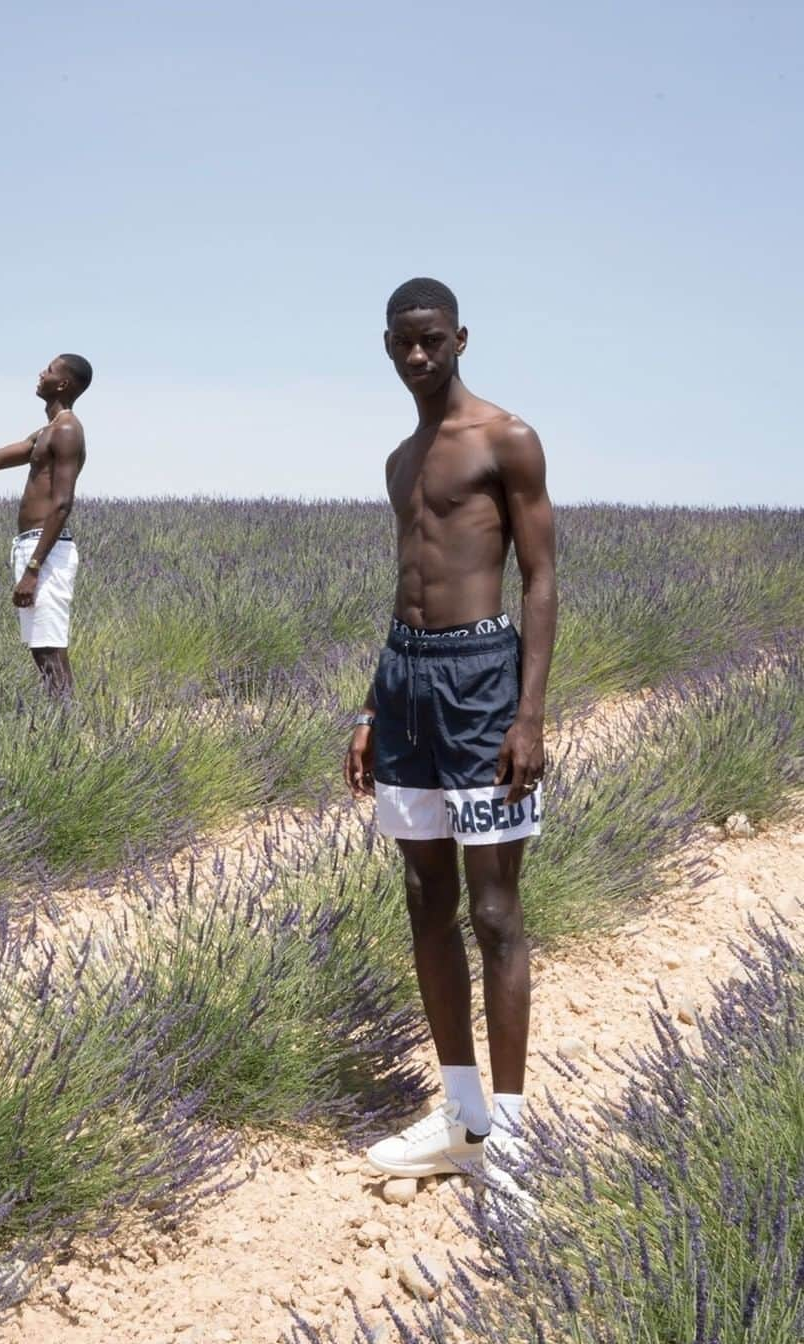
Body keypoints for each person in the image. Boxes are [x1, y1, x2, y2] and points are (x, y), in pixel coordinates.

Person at [344, 278, 557, 1192]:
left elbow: (540, 580)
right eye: (403, 344)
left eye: (432, 340)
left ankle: (510, 1139)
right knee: (425, 904)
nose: (418, 356)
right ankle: (460, 1117)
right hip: (404, 683)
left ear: (461, 337)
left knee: (495, 912)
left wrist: (530, 711)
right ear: (387, 346)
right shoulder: (399, 459)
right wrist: (369, 706)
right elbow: (407, 586)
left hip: (480, 682)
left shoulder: (506, 439)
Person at [0, 355, 91, 696]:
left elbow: (62, 503)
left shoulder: (67, 431)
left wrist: (34, 568)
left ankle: (66, 734)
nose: (41, 373)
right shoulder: (46, 433)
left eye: (49, 370)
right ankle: (63, 731)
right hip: (32, 546)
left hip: (45, 552)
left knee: (50, 652)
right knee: (41, 650)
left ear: (62, 384)